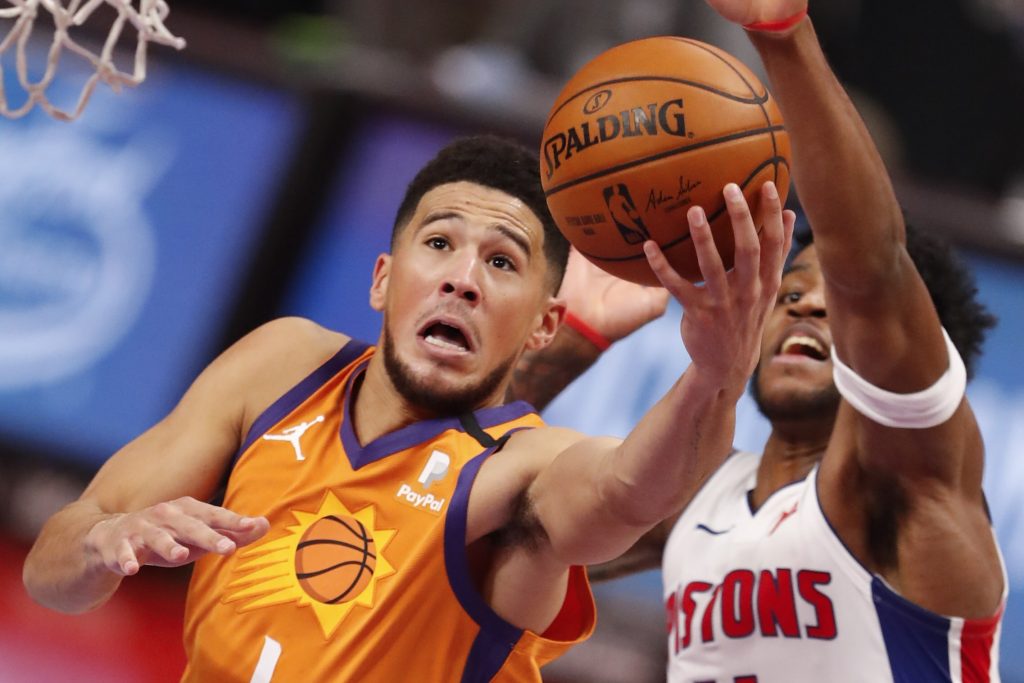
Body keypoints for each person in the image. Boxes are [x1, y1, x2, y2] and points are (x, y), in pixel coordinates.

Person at [22, 134, 793, 681]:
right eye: (439, 244)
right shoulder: (284, 364)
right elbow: (51, 569)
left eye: (501, 261)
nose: (462, 278)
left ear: (543, 323)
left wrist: (714, 374)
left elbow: (629, 490)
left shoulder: (521, 470)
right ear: (383, 280)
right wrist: (103, 540)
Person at [513, 2, 1008, 681]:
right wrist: (573, 342)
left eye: (835, 305)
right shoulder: (692, 499)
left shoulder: (910, 488)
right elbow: (477, 522)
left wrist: (783, 37)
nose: (805, 302)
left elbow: (869, 267)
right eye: (790, 290)